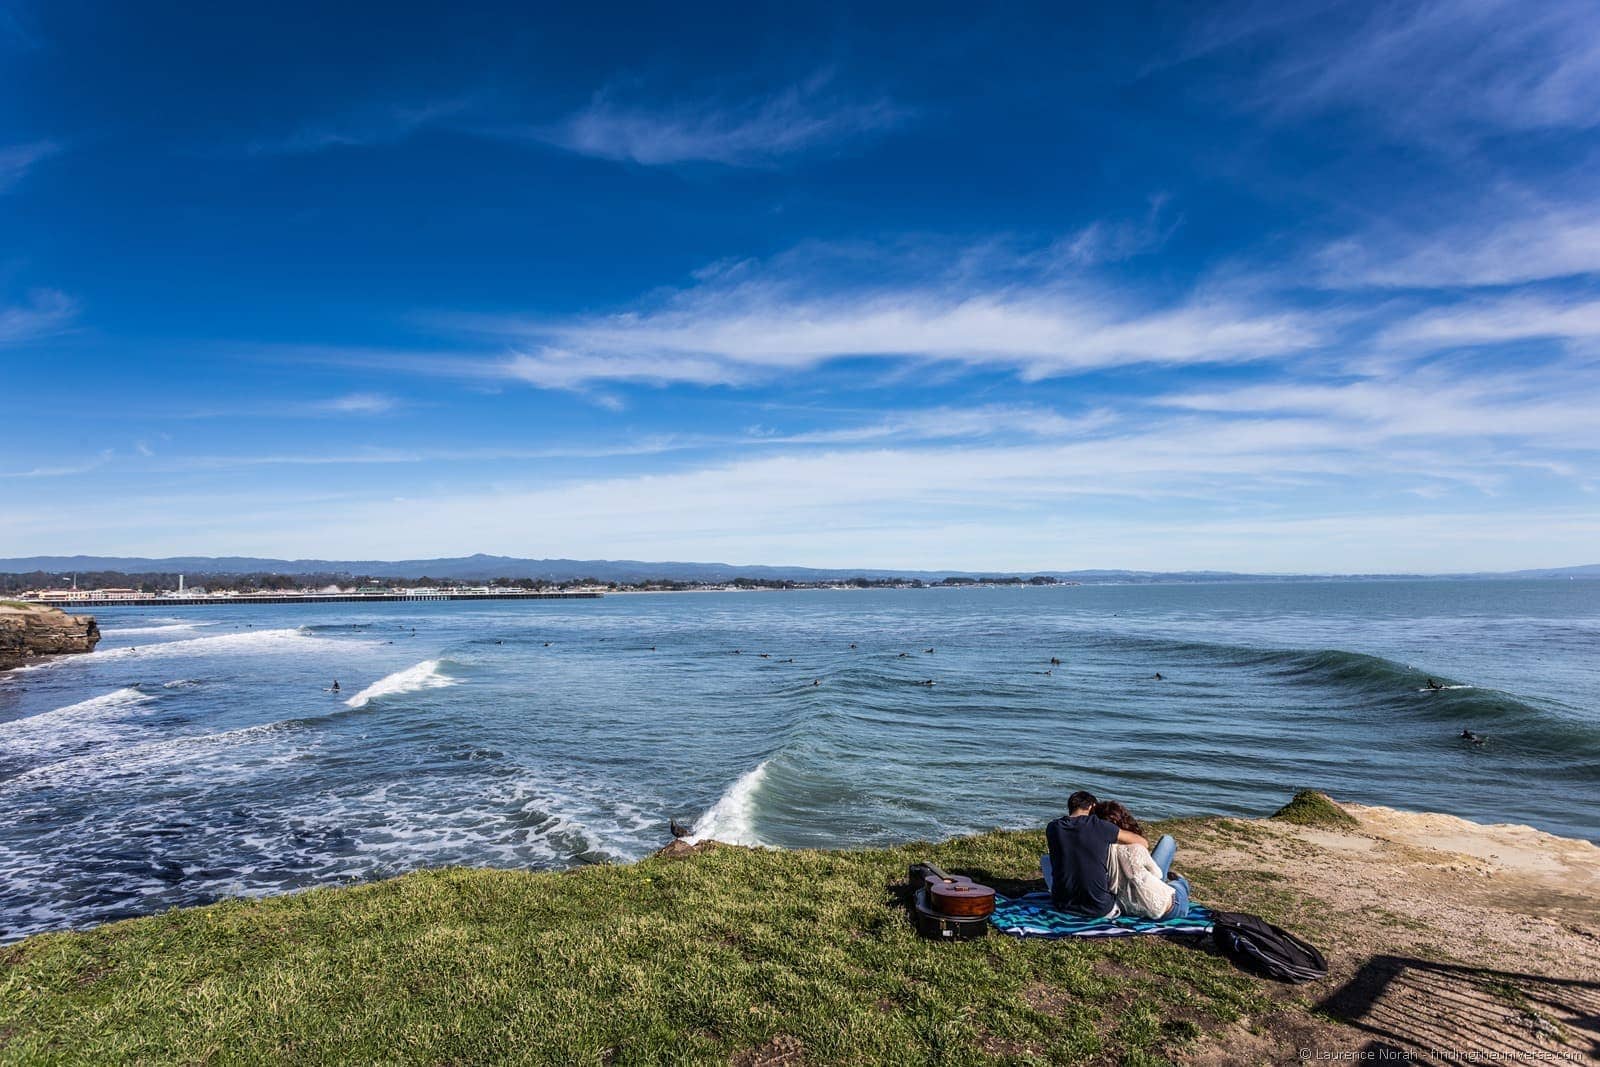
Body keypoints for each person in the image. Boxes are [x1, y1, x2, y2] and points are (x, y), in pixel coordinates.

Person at [1043, 790, 1149, 917]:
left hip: (1062, 905)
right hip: (1101, 909)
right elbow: (1143, 843)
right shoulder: (1100, 826)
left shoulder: (1053, 827)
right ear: (1091, 806)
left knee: (1046, 859)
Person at [1093, 800, 1191, 920]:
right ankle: (1181, 881)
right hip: (1168, 910)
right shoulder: (1136, 848)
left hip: (1129, 910)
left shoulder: (1097, 850)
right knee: (1178, 884)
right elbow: (1158, 875)